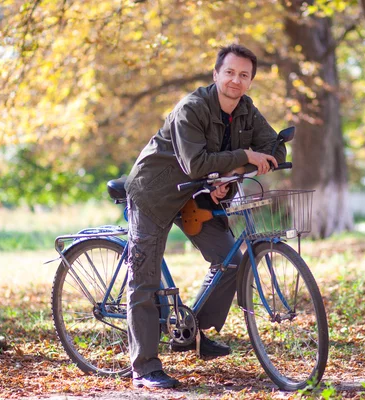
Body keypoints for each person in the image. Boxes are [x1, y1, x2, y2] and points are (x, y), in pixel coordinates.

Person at [123, 43, 287, 389]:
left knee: (230, 260)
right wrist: (244, 155)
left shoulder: (246, 109)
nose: (236, 80)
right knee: (145, 280)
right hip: (155, 192)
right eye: (229, 72)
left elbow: (274, 148)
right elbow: (195, 163)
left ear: (251, 81)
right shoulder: (191, 109)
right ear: (216, 75)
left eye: (244, 75)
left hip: (195, 192)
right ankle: (144, 366)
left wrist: (229, 174)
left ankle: (189, 332)